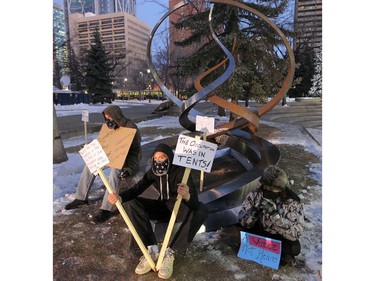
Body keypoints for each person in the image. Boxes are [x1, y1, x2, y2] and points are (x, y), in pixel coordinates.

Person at [108, 143, 208, 280]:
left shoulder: (182, 172)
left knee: (203, 209)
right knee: (131, 203)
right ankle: (151, 250)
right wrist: (120, 197)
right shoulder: (154, 171)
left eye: (162, 157)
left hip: (180, 209)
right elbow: (138, 187)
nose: (159, 161)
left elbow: (195, 204)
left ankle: (171, 253)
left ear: (170, 158)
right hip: (162, 207)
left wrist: (187, 196)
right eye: (156, 158)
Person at [65, 105, 142, 224]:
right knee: (91, 165)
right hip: (110, 156)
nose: (107, 121)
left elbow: (135, 152)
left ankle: (107, 208)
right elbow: (104, 144)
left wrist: (129, 168)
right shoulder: (108, 127)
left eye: (110, 118)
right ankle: (81, 198)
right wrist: (91, 152)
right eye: (106, 118)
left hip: (125, 159)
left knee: (115, 172)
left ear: (116, 117)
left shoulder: (131, 128)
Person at [238, 165, 305, 267]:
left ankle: (279, 255)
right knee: (239, 234)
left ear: (281, 189)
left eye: (272, 188)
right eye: (265, 186)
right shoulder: (256, 195)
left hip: (279, 236)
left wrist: (276, 217)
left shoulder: (292, 201)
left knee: (294, 248)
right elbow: (242, 220)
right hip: (259, 232)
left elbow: (295, 233)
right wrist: (254, 212)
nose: (267, 190)